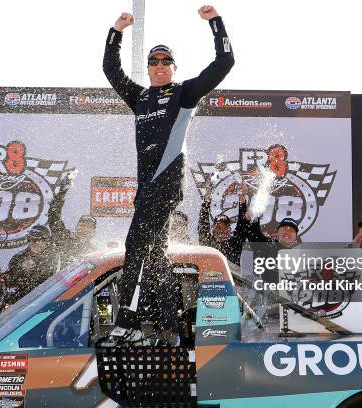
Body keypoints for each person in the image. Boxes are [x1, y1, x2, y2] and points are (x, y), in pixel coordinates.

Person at [100, 5, 234, 346]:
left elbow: (224, 63)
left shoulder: (184, 93)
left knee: (136, 247)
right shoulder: (139, 97)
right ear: (148, 69)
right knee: (157, 259)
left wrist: (215, 23)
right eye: (153, 62)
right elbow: (110, 69)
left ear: (174, 67)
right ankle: (169, 329)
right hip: (146, 189)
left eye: (165, 62)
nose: (159, 66)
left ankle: (127, 323)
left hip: (166, 183)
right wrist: (116, 31)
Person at [48, 177, 98, 267]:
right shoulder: (65, 238)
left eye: (88, 227)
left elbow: (94, 270)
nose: (84, 229)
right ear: (76, 227)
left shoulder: (95, 252)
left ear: (93, 232)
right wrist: (61, 193)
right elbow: (54, 218)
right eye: (82, 225)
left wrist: (85, 264)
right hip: (63, 280)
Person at [6, 225, 60, 304]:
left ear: (46, 241)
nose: (32, 243)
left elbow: (47, 274)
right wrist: (21, 266)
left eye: (35, 240)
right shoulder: (19, 256)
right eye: (29, 239)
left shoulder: (53, 255)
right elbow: (12, 270)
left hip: (44, 299)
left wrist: (34, 265)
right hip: (21, 300)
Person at [199, 182, 249, 265]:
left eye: (224, 228)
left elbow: (242, 225)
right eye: (218, 227)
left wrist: (242, 198)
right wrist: (207, 198)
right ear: (213, 228)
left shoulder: (234, 244)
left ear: (229, 230)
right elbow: (203, 221)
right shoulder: (206, 243)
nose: (221, 231)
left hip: (232, 277)